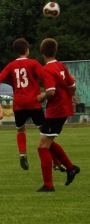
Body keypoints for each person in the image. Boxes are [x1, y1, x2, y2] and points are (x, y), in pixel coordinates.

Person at [0, 38, 64, 171]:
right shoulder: (33, 63)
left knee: (21, 129)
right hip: (34, 102)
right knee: (46, 134)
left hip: (19, 104)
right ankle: (56, 161)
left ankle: (23, 152)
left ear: (15, 52)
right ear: (26, 50)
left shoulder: (10, 66)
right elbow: (47, 75)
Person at [36, 38, 80, 192]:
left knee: (42, 147)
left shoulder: (46, 70)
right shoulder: (61, 65)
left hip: (56, 111)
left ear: (42, 52)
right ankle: (70, 167)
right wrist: (67, 97)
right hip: (62, 109)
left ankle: (48, 185)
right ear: (55, 51)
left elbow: (51, 92)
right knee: (48, 143)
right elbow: (72, 87)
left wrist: (41, 97)